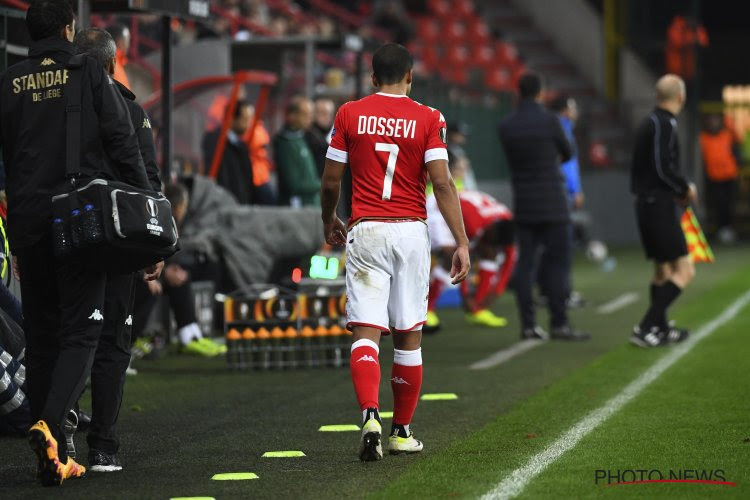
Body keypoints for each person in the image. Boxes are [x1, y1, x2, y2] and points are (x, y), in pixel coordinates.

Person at [0, 0, 161, 486]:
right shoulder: (89, 72)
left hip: (26, 221)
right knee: (85, 330)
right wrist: (149, 213)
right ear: (70, 28)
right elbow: (123, 144)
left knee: (43, 331)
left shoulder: (8, 81)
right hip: (76, 219)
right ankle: (51, 426)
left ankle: (56, 447)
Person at [321, 43, 470, 461]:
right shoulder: (428, 118)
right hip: (410, 232)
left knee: (365, 330)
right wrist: (460, 240)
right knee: (408, 335)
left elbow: (332, 179)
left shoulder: (349, 113)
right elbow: (442, 183)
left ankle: (369, 414)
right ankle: (401, 431)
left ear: (372, 77)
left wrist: (328, 218)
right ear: (410, 76)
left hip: (365, 229)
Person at [72, 26, 163, 473]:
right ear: (112, 64)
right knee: (111, 342)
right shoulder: (129, 109)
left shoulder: (57, 107)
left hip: (63, 236)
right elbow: (147, 175)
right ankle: (103, 447)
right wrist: (155, 243)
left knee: (65, 338)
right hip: (117, 240)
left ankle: (59, 435)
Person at [498, 73, 589, 341]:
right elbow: (568, 152)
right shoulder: (551, 121)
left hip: (524, 203)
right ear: (540, 93)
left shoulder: (507, 125)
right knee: (558, 263)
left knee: (526, 263)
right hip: (553, 202)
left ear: (519, 93)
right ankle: (559, 323)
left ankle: (528, 325)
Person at [630, 74, 696, 348]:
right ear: (680, 97)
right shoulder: (664, 123)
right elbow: (662, 168)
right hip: (659, 205)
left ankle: (660, 328)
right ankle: (646, 327)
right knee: (685, 270)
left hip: (646, 204)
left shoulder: (649, 122)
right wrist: (684, 189)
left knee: (663, 271)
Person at [425, 190, 515, 331]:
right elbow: (462, 260)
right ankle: (426, 310)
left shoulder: (506, 226)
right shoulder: (475, 225)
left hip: (462, 207)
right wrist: (466, 296)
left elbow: (509, 262)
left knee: (489, 252)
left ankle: (478, 309)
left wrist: (497, 291)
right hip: (439, 207)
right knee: (450, 257)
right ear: (490, 231)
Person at [202, 99, 256, 205]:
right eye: (244, 120)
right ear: (232, 119)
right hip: (224, 203)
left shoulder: (241, 145)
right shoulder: (215, 141)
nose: (248, 125)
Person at [699, 113, 740, 243]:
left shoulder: (727, 135)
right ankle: (721, 229)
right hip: (714, 177)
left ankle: (728, 229)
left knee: (729, 204)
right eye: (711, 120)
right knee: (718, 204)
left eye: (715, 120)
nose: (713, 123)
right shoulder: (703, 138)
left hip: (729, 176)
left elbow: (736, 150)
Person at [274, 96, 321, 207]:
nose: (310, 119)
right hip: (298, 208)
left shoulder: (301, 137)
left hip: (311, 205)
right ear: (292, 116)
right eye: (305, 114)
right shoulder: (285, 143)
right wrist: (321, 184)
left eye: (310, 114)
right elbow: (293, 184)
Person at [305, 97, 336, 178]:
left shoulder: (333, 132)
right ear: (314, 114)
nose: (327, 117)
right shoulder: (309, 135)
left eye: (330, 114)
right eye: (323, 113)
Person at [105, 23, 131, 90]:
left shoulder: (116, 63)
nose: (128, 45)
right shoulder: (112, 65)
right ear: (120, 41)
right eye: (127, 40)